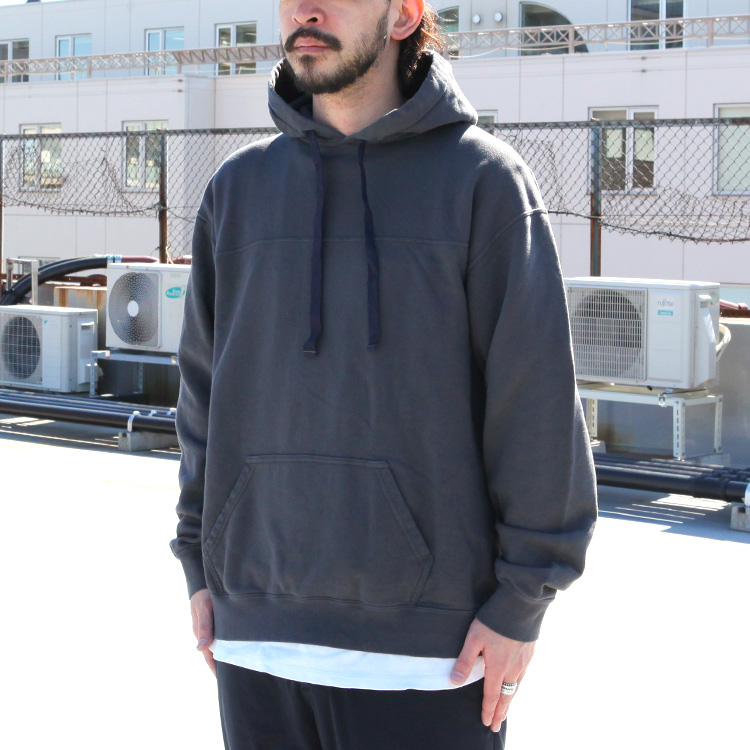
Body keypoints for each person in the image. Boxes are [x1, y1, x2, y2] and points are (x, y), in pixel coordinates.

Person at [170, 1, 598, 748]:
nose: (305, 10)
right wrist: (197, 565)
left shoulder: (484, 181)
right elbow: (202, 396)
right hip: (256, 640)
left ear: (404, 15)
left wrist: (521, 602)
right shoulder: (237, 191)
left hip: (432, 656)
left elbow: (535, 408)